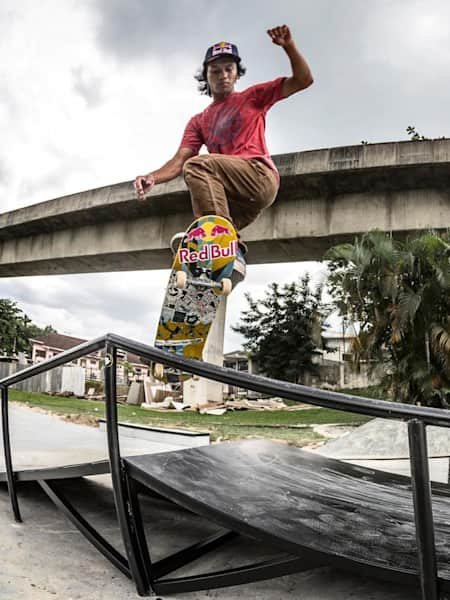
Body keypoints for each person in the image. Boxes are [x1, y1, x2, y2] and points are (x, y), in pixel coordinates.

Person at [134, 25, 313, 282]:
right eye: (215, 71)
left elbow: (303, 80)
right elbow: (179, 161)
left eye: (229, 69)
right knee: (200, 231)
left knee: (199, 168)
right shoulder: (199, 121)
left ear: (237, 74)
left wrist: (289, 46)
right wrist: (152, 177)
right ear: (206, 76)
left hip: (258, 176)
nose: (223, 75)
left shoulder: (253, 97)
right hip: (240, 204)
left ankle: (218, 244)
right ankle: (230, 255)